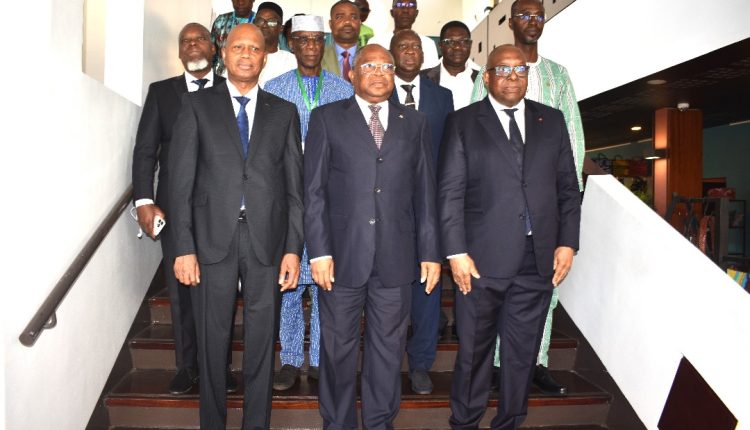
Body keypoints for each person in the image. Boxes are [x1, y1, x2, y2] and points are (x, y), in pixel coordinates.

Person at [168, 23, 304, 429]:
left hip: (267, 241)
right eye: (238, 47)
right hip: (211, 240)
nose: (246, 54)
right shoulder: (196, 106)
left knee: (262, 343)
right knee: (212, 342)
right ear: (223, 53)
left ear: (265, 58)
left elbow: (295, 189)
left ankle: (255, 424)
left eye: (255, 48)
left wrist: (293, 249)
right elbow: (180, 184)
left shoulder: (284, 111)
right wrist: (183, 247)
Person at [439, 44, 581, 430]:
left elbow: (568, 187)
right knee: (475, 353)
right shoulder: (463, 122)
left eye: (520, 69)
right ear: (487, 77)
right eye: (503, 70)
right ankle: (464, 422)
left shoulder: (551, 121)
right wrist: (456, 251)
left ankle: (510, 422)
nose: (513, 76)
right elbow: (449, 192)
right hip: (479, 262)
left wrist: (568, 242)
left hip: (538, 260)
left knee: (522, 356)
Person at [305, 44, 441, 430]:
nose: (379, 73)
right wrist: (319, 252)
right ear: (352, 74)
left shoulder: (415, 122)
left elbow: (425, 193)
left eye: (386, 66)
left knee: (388, 350)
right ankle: (338, 423)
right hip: (341, 257)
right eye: (370, 66)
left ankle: (380, 422)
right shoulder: (327, 118)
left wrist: (430, 252)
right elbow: (313, 192)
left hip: (397, 257)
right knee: (338, 350)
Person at [470, 0, 586, 396]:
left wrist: (569, 201)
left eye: (538, 15)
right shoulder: (490, 72)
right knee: (496, 287)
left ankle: (536, 361)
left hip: (544, 204)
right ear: (511, 21)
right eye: (524, 15)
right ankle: (497, 364)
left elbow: (573, 135)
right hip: (498, 206)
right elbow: (472, 132)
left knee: (545, 288)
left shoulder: (558, 75)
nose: (532, 21)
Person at [132, 22, 238, 396]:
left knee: (220, 291)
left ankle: (220, 367)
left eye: (199, 39)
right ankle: (187, 366)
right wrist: (144, 200)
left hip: (222, 208)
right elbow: (146, 150)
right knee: (180, 291)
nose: (192, 45)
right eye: (185, 41)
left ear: (213, 48)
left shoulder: (232, 89)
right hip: (176, 208)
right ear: (179, 52)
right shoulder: (161, 93)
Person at [264, 14, 354, 392]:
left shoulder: (343, 90)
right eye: (303, 39)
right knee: (288, 281)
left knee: (323, 282)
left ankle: (318, 356)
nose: (311, 46)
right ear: (291, 43)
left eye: (317, 39)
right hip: (285, 199)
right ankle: (289, 359)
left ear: (325, 43)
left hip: (329, 200)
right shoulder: (273, 89)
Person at [388, 29, 453, 395]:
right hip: (389, 207)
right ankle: (389, 360)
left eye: (416, 46)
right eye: (403, 46)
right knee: (393, 288)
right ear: (392, 54)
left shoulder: (442, 97)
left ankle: (421, 363)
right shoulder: (377, 89)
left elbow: (450, 150)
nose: (410, 51)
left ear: (424, 55)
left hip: (431, 207)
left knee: (429, 288)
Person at [421, 20, 480, 110]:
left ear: (470, 45)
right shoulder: (422, 78)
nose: (457, 47)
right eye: (449, 42)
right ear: (440, 46)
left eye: (463, 41)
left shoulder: (483, 80)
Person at [367, 0, 439, 69]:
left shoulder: (428, 44)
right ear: (392, 12)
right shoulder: (375, 42)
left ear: (416, 13)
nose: (405, 10)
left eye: (411, 5)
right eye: (399, 5)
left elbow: (431, 74)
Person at [254, 2, 297, 87]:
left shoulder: (292, 62)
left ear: (281, 28)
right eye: (260, 21)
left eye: (272, 22)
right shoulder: (243, 56)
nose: (264, 25)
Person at [211, 0, 256, 76]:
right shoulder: (221, 20)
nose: (240, 2)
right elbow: (212, 53)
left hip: (249, 75)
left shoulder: (260, 23)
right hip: (221, 75)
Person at [321, 0, 361, 82]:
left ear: (360, 23)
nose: (347, 22)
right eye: (339, 17)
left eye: (353, 17)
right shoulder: (317, 58)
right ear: (330, 24)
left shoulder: (371, 58)